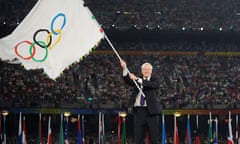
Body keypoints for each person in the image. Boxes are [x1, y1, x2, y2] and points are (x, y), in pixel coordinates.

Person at [120, 60, 161, 144]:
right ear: (142, 71)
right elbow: (127, 80)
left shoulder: (155, 80)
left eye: (148, 69)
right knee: (138, 138)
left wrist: (137, 79)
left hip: (152, 112)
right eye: (144, 69)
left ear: (151, 71)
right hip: (139, 111)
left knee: (154, 138)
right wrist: (124, 68)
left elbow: (151, 85)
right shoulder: (136, 80)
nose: (146, 71)